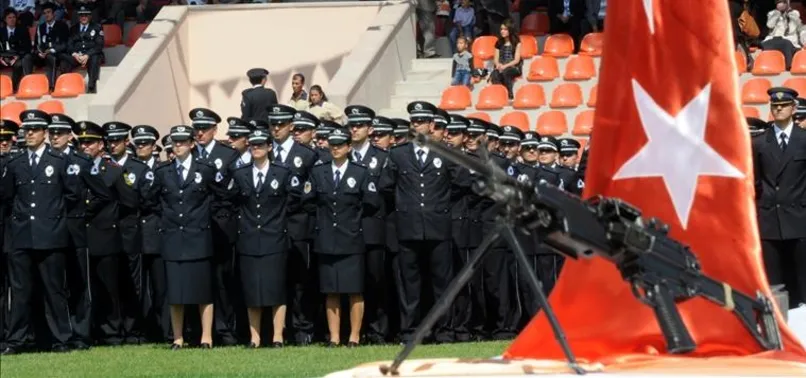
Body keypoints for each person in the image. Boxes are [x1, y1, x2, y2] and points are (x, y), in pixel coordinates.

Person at [379, 101, 468, 343]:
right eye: (414, 121)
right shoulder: (398, 154)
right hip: (408, 227)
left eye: (421, 121)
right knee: (410, 284)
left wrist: (440, 203)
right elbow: (386, 185)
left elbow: (461, 183)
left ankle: (444, 330)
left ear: (431, 125)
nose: (417, 125)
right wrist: (405, 205)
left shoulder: (445, 152)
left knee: (442, 282)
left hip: (438, 226)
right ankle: (410, 331)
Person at [144, 125, 228, 349]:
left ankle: (206, 337)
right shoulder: (163, 171)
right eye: (175, 142)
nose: (178, 145)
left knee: (203, 291)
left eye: (182, 141)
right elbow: (151, 200)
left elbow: (222, 196)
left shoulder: (206, 169)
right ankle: (178, 337)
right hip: (173, 237)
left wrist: (206, 217)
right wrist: (167, 219)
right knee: (176, 292)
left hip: (198, 237)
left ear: (192, 144)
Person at [1, 110, 77, 355]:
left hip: (50, 233)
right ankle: (16, 340)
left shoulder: (59, 160)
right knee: (20, 291)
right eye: (27, 130)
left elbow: (72, 195)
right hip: (22, 234)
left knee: (54, 290)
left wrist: (56, 220)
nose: (30, 133)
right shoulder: (15, 162)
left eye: (35, 129)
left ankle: (60, 339)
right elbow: (8, 196)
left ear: (45, 132)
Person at [228, 127, 301, 349]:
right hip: (249, 238)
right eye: (253, 145)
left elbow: (294, 200)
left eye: (260, 145)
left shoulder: (283, 172)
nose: (256, 148)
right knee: (252, 290)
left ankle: (278, 335)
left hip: (275, 238)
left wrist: (279, 223)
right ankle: (255, 337)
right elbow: (231, 201)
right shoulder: (240, 173)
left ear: (270, 147)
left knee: (276, 289)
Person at [306, 127, 379, 347]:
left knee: (354, 290)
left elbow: (371, 203)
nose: (335, 149)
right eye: (333, 145)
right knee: (331, 291)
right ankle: (335, 337)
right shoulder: (319, 172)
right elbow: (308, 200)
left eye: (340, 145)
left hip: (351, 238)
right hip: (327, 238)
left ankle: (354, 336)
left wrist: (353, 221)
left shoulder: (360, 172)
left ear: (349, 147)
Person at [267, 104, 320, 345]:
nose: (276, 129)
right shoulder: (265, 151)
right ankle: (277, 330)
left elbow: (311, 191)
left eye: (281, 124)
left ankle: (302, 328)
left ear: (291, 126)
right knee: (274, 279)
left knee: (300, 280)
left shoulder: (306, 154)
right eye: (273, 124)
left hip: (297, 224)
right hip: (270, 225)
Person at [189, 108, 241, 346]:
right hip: (194, 226)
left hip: (220, 223)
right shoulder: (188, 153)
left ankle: (225, 329)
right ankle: (198, 331)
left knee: (222, 280)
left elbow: (233, 190)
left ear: (214, 130)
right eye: (196, 129)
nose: (199, 133)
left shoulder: (227, 154)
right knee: (197, 280)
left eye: (204, 129)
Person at [752, 87, 806, 309]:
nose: (779, 109)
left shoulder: (804, 140)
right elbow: (756, 182)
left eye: (784, 105)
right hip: (770, 220)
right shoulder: (759, 143)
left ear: (793, 108)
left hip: (800, 219)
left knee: (802, 280)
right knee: (775, 284)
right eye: (775, 106)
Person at [47, 115, 97, 349]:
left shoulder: (81, 160)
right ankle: (61, 334)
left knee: (79, 283)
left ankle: (81, 334)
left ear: (69, 136)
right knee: (55, 285)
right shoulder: (47, 159)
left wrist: (82, 212)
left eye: (59, 133)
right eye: (52, 133)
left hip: (75, 229)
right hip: (50, 231)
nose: (55, 137)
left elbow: (100, 193)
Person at [344, 105, 389, 344]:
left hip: (373, 227)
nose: (355, 129)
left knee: (375, 280)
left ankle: (377, 330)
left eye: (359, 125)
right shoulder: (343, 155)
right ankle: (353, 332)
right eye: (352, 125)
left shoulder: (382, 157)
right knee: (351, 283)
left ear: (370, 129)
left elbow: (385, 193)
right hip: (347, 229)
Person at [130, 125, 169, 342]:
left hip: (157, 231)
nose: (141, 147)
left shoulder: (163, 169)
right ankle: (144, 329)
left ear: (154, 146)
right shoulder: (130, 169)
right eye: (138, 143)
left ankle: (164, 329)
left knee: (160, 285)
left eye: (145, 143)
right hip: (136, 233)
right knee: (139, 287)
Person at [62, 5, 104, 93]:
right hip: (77, 55)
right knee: (64, 59)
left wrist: (87, 55)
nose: (84, 17)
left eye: (86, 15)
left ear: (90, 16)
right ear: (78, 17)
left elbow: (99, 45)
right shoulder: (73, 29)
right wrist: (75, 54)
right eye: (81, 15)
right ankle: (65, 85)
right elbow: (69, 44)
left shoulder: (97, 27)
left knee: (95, 58)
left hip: (90, 55)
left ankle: (91, 86)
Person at [34, 3, 70, 90]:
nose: (46, 15)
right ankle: (29, 84)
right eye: (44, 13)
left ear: (54, 14)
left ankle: (51, 86)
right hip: (42, 56)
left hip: (57, 54)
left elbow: (65, 44)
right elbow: (37, 44)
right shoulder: (40, 27)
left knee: (51, 57)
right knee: (28, 58)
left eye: (48, 12)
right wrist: (39, 53)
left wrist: (52, 50)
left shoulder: (62, 26)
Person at [0, 9, 33, 92]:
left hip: (17, 56)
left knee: (19, 64)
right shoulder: (1, 31)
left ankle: (13, 87)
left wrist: (16, 57)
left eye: (14, 17)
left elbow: (27, 48)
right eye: (9, 17)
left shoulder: (23, 30)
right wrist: (2, 57)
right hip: (3, 57)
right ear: (5, 19)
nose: (12, 19)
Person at [490, 20, 522, 100]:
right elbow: (495, 59)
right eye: (501, 29)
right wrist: (498, 64)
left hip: (513, 67)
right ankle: (499, 95)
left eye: (505, 29)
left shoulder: (516, 42)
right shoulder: (498, 43)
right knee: (495, 74)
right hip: (501, 66)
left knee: (506, 73)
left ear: (510, 30)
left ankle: (509, 95)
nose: (502, 31)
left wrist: (505, 66)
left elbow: (516, 60)